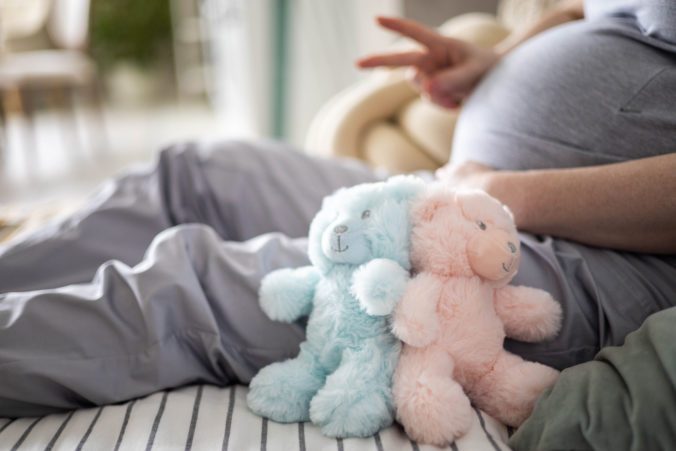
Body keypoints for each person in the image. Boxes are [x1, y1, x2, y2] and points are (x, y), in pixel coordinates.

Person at [0, 0, 674, 418]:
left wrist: (506, 190)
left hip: (600, 248)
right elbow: (595, 9)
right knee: (196, 172)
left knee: (207, 286)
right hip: (460, 190)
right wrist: (497, 59)